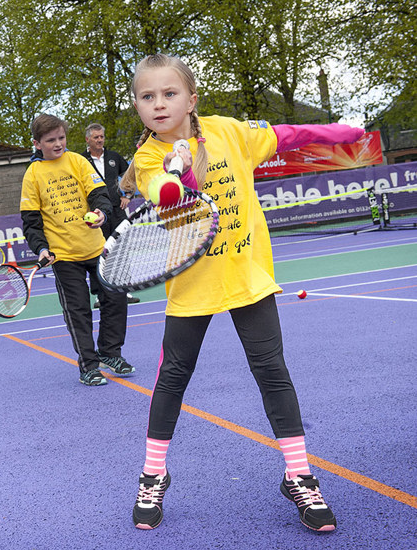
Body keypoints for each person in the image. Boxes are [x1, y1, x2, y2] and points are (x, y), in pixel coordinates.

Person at [126, 54, 364, 532]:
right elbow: (160, 189)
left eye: (169, 93)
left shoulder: (229, 131)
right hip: (191, 288)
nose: (158, 104)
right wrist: (178, 178)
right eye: (147, 97)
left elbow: (284, 135)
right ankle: (154, 474)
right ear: (137, 105)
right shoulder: (149, 156)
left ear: (191, 100)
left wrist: (335, 131)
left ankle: (299, 476)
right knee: (173, 377)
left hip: (247, 279)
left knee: (272, 372)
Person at [20, 113, 135, 386]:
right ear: (37, 143)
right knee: (78, 311)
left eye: (61, 137)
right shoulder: (33, 175)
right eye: (51, 140)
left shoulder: (78, 161)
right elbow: (31, 222)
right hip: (63, 256)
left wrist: (101, 214)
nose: (58, 144)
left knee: (116, 298)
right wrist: (41, 248)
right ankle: (88, 366)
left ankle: (110, 352)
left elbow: (99, 194)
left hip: (96, 248)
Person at [81, 123, 140, 307]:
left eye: (102, 137)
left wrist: (128, 196)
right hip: (96, 214)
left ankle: (124, 291)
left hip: (117, 210)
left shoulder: (114, 157)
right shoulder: (81, 160)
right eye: (96, 137)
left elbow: (131, 175)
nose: (100, 140)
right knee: (99, 253)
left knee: (120, 250)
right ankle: (100, 295)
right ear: (87, 140)